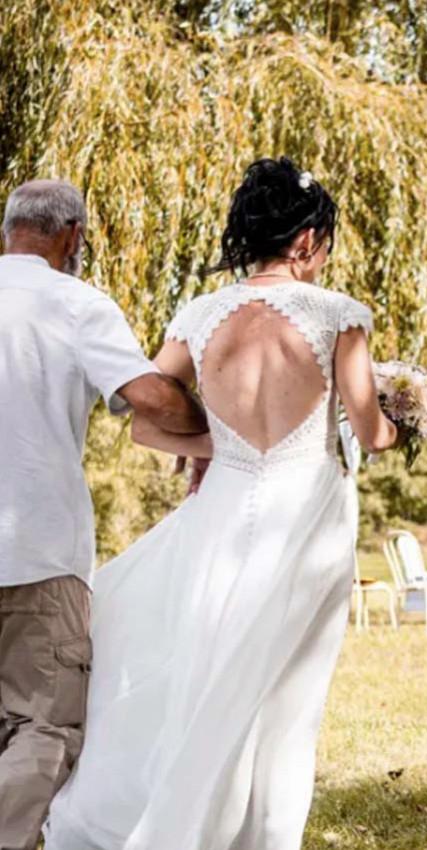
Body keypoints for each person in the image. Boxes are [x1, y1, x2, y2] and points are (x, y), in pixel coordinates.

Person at [45, 158, 400, 849]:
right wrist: (401, 415)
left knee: (210, 666)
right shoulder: (339, 316)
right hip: (308, 520)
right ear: (305, 242)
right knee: (287, 699)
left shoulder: (200, 317)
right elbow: (370, 434)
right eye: (324, 244)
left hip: (223, 513)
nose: (324, 258)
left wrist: (225, 446)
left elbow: (145, 419)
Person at [0, 180, 209, 850]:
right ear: (72, 237)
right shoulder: (76, 303)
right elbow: (147, 395)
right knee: (44, 722)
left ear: (10, 230)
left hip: (32, 545)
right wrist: (223, 427)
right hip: (37, 550)